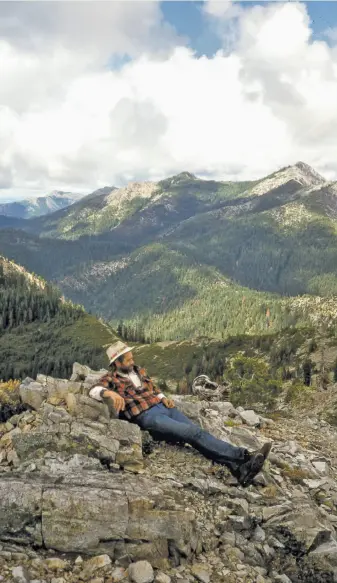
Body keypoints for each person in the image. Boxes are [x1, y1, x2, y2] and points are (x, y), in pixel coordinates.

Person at [89, 341, 272, 487]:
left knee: (197, 433)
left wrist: (163, 397)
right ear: (117, 363)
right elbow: (93, 390)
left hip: (164, 408)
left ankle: (239, 470)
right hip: (148, 417)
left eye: (131, 358)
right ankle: (245, 457)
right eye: (127, 360)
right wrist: (109, 393)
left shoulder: (138, 370)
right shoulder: (111, 378)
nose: (132, 362)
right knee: (193, 434)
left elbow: (152, 387)